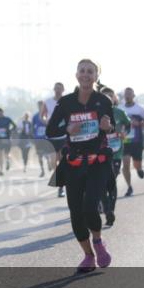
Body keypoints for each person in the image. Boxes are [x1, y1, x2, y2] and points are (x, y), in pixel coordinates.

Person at [46, 59, 115, 273]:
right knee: (75, 213)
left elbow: (112, 128)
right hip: (74, 164)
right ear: (76, 75)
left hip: (97, 163)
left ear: (96, 76)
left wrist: (108, 126)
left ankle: (98, 241)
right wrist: (68, 129)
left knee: (90, 206)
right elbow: (50, 131)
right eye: (82, 71)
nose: (86, 75)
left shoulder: (103, 100)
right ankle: (88, 256)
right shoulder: (66, 103)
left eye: (90, 72)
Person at [99, 87, 130, 226]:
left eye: (110, 95)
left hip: (116, 152)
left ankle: (110, 208)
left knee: (111, 180)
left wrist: (125, 132)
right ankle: (107, 209)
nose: (107, 97)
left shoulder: (119, 112)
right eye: (104, 95)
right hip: (100, 152)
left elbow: (128, 125)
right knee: (101, 182)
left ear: (114, 98)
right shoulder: (96, 112)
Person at [120, 87, 144, 197]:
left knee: (137, 164)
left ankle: (139, 169)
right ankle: (129, 187)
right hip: (125, 141)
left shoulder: (140, 109)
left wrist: (140, 124)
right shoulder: (120, 108)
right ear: (124, 96)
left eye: (130, 94)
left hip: (137, 141)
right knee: (126, 163)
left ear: (133, 95)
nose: (127, 96)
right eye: (126, 94)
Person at [43, 82, 67, 197]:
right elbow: (42, 115)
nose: (58, 90)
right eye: (56, 88)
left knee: (62, 161)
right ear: (54, 89)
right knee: (54, 162)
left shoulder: (67, 100)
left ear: (63, 89)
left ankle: (61, 187)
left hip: (63, 136)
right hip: (51, 136)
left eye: (60, 88)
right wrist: (45, 121)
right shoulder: (48, 102)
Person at [0, 108, 17, 175]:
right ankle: (1, 169)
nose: (0, 113)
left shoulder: (7, 119)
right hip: (0, 139)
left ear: (3, 112)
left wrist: (9, 131)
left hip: (6, 138)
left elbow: (14, 126)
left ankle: (7, 161)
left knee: (6, 154)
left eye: (1, 112)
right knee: (0, 154)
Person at [32, 101, 51, 177]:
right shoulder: (35, 116)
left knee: (46, 154)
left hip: (46, 138)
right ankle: (42, 170)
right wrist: (33, 136)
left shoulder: (47, 114)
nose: (40, 107)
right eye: (39, 106)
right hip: (38, 139)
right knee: (39, 155)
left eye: (41, 106)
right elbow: (32, 127)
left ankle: (49, 162)